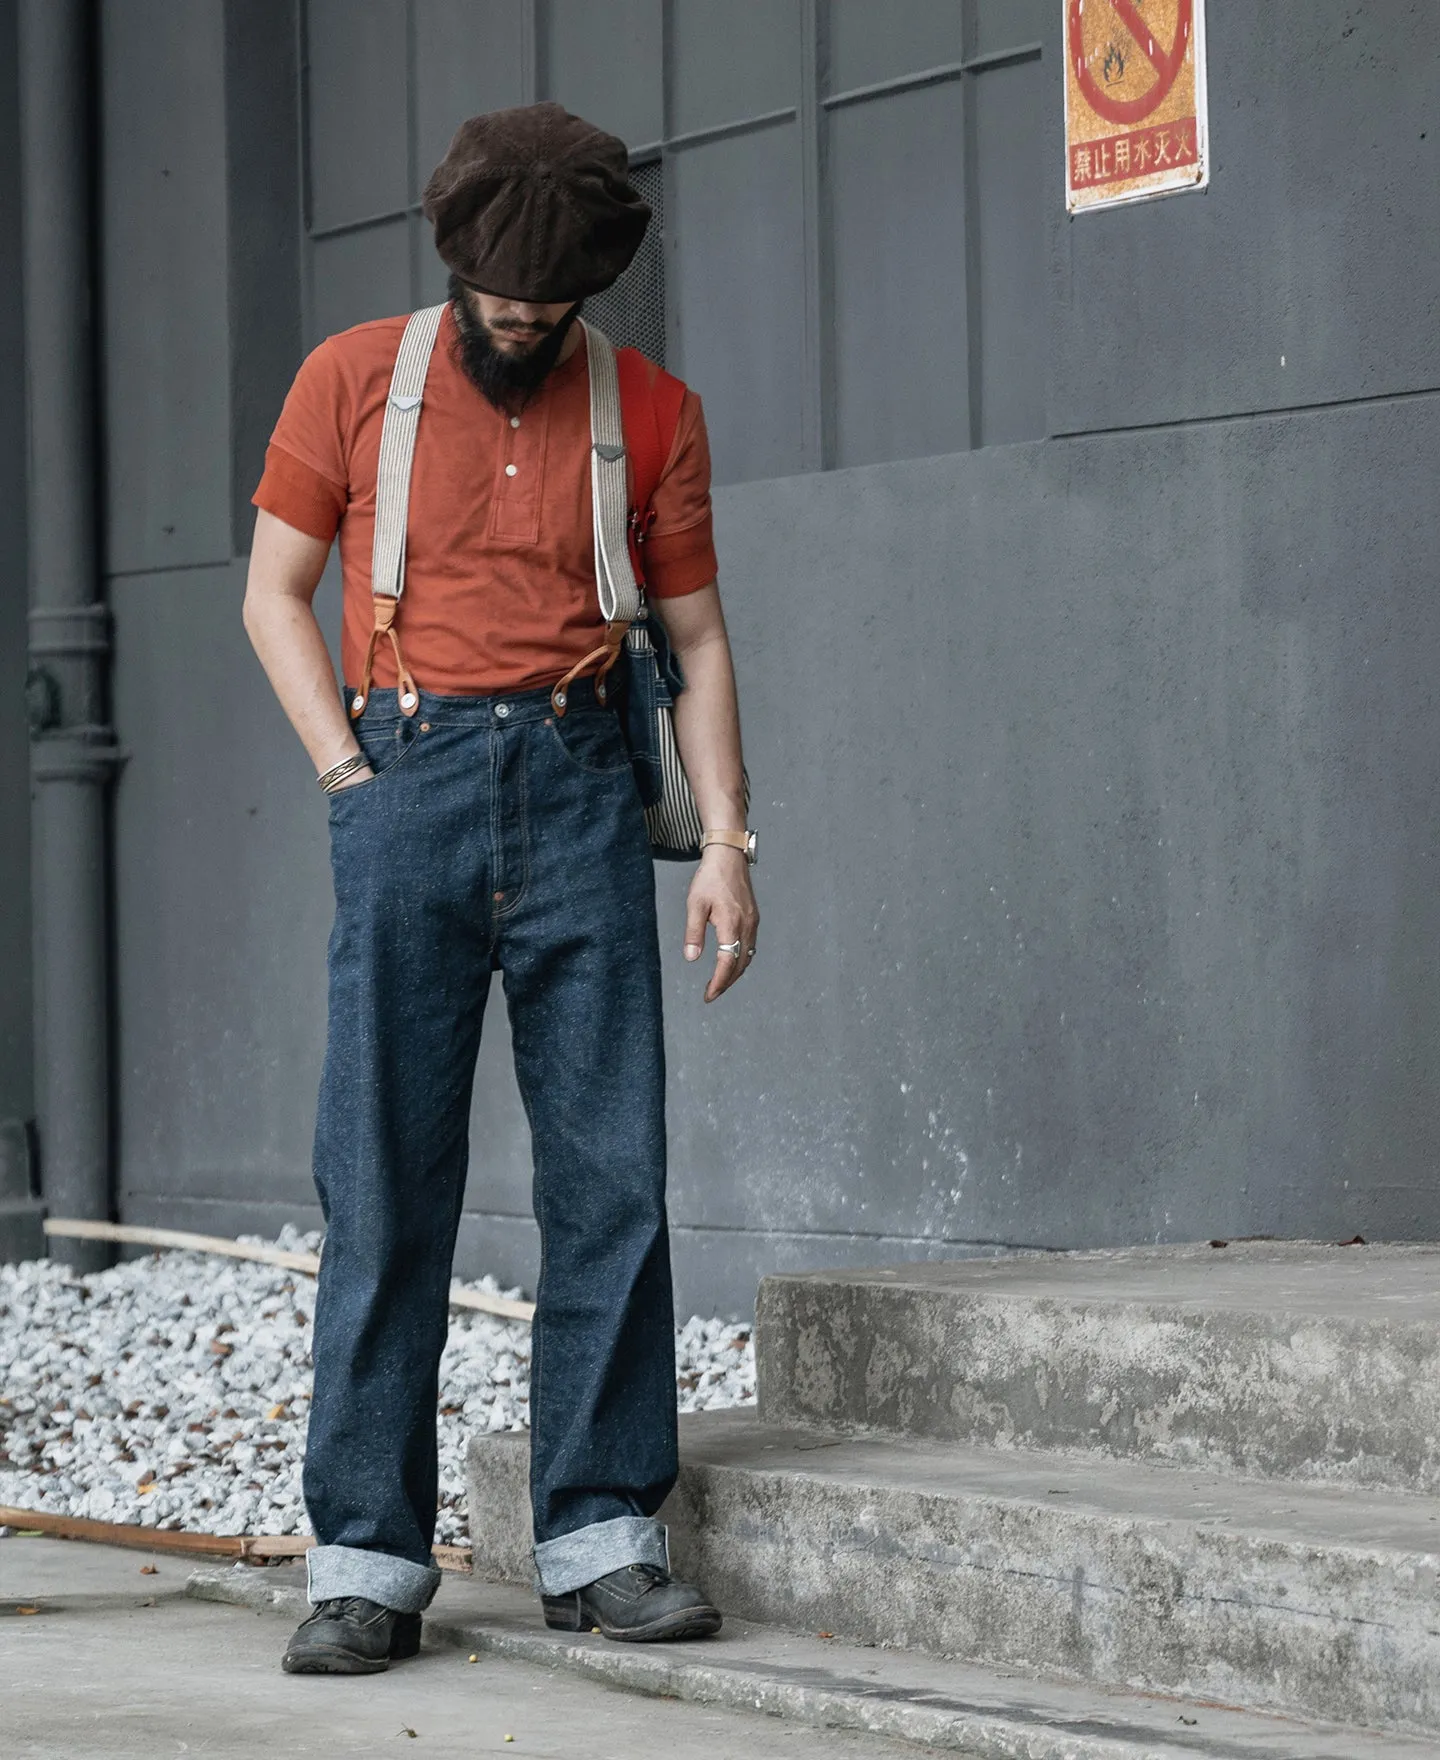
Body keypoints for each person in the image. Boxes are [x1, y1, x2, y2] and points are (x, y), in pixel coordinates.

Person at [242, 102, 759, 1676]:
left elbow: (701, 639)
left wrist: (730, 841)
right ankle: (365, 1561)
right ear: (455, 269)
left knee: (612, 1172)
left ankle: (602, 1535)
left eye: (550, 312)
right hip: (406, 780)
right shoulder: (351, 379)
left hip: (584, 783)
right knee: (383, 1179)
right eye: (499, 308)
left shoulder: (651, 409)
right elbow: (272, 591)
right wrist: (345, 773)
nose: (522, 331)